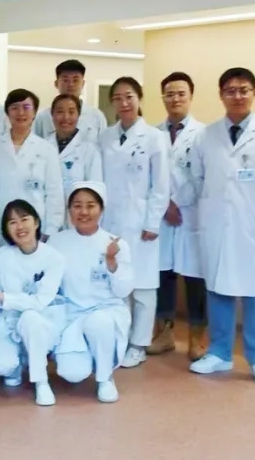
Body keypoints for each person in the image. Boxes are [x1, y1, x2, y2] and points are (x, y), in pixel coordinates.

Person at [189, 67, 255, 387]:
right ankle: (219, 353)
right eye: (230, 90)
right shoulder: (206, 135)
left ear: (254, 93)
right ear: (221, 95)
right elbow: (197, 178)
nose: (237, 96)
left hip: (254, 227)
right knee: (218, 291)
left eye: (243, 90)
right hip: (218, 226)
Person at [97, 77, 169, 369]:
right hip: (110, 224)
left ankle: (139, 344)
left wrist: (153, 222)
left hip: (141, 225)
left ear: (139, 99)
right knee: (117, 285)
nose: (124, 103)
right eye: (117, 98)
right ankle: (120, 339)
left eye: (129, 97)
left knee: (143, 288)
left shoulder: (154, 137)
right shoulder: (105, 137)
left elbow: (161, 186)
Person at [50, 181, 133, 403]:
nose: (84, 212)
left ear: (101, 209)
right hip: (71, 315)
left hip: (105, 311)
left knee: (99, 323)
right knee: (72, 373)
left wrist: (112, 262)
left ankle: (105, 378)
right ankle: (87, 356)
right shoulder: (57, 241)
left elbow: (123, 290)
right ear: (69, 210)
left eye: (90, 205)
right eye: (77, 206)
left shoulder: (115, 244)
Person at [0, 200, 66, 406]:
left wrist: (2, 297)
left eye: (24, 219)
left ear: (36, 222)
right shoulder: (1, 256)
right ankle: (19, 362)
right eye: (12, 222)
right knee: (1, 366)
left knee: (30, 317)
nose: (19, 226)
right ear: (6, 229)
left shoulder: (54, 258)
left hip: (41, 321)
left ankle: (41, 382)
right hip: (7, 322)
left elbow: (40, 301)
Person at [150, 72, 209, 360]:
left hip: (191, 216)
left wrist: (178, 203)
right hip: (163, 216)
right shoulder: (153, 134)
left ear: (191, 96)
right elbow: (150, 177)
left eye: (181, 94)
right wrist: (165, 205)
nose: (175, 99)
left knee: (195, 279)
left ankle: (198, 338)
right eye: (169, 94)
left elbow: (204, 178)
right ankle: (164, 334)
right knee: (163, 276)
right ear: (162, 97)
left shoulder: (204, 135)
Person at [0, 89, 64, 256]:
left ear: (35, 112)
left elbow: (54, 192)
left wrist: (51, 229)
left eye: (26, 107)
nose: (21, 113)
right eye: (15, 108)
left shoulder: (46, 149)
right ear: (7, 113)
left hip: (33, 227)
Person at [46, 94, 103, 203]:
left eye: (71, 112)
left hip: (78, 211)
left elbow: (94, 190)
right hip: (47, 210)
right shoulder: (42, 146)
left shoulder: (90, 150)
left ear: (78, 115)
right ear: (52, 114)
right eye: (60, 112)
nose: (66, 117)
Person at [33, 59, 109, 141]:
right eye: (65, 80)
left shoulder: (96, 116)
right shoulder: (42, 117)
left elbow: (103, 144)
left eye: (75, 80)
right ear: (56, 83)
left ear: (83, 84)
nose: (71, 84)